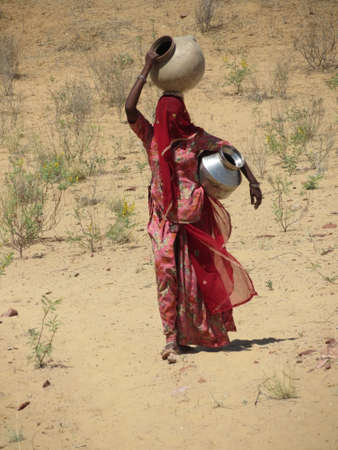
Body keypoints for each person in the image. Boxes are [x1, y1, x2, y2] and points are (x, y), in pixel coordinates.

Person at [125, 48, 262, 363]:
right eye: (165, 114)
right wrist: (146, 67)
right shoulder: (151, 138)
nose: (169, 119)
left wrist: (252, 180)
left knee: (193, 279)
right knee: (166, 277)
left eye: (174, 114)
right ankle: (170, 340)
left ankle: (189, 336)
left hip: (192, 219)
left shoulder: (194, 140)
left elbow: (229, 150)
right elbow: (130, 108)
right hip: (162, 220)